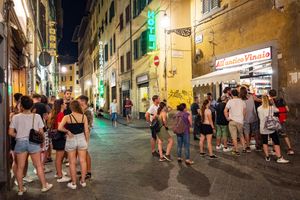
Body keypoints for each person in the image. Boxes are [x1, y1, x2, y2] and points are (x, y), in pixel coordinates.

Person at [9, 96, 53, 195]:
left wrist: (19, 135)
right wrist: (40, 142)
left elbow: (10, 132)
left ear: (21, 106)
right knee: (38, 166)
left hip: (20, 143)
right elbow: (41, 132)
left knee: (20, 167)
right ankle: (44, 186)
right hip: (33, 143)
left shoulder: (15, 117)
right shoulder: (36, 116)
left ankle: (20, 189)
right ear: (31, 106)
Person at [58, 100, 90, 189]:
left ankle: (73, 183)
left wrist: (67, 131)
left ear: (71, 107)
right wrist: (87, 142)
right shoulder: (84, 117)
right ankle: (83, 181)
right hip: (81, 139)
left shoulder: (67, 117)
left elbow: (60, 128)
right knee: (83, 161)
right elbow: (86, 131)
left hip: (71, 138)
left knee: (72, 162)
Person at [257, 95, 289, 163]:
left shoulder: (259, 108)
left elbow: (260, 117)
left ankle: (267, 157)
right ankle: (279, 157)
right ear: (268, 100)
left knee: (265, 142)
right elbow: (277, 110)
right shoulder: (271, 107)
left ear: (262, 100)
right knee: (276, 141)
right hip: (271, 127)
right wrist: (273, 103)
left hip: (263, 127)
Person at [48, 99, 70, 183]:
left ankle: (58, 172)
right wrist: (68, 131)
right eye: (64, 103)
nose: (66, 104)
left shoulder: (55, 114)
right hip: (60, 138)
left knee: (59, 157)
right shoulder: (60, 114)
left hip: (56, 138)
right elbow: (60, 127)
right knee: (59, 157)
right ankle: (60, 176)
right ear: (61, 105)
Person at [269, 89, 294, 155]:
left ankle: (274, 150)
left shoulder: (271, 101)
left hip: (276, 120)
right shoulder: (282, 99)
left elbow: (271, 111)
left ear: (270, 95)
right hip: (283, 119)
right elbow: (287, 109)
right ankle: (290, 149)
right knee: (285, 134)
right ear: (276, 94)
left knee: (274, 135)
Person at [224, 89, 246, 156]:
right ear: (238, 94)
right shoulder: (242, 101)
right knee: (241, 135)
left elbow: (225, 111)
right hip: (240, 121)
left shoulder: (230, 101)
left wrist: (227, 118)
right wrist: (242, 118)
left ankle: (236, 150)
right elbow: (244, 111)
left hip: (232, 121)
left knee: (234, 137)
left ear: (232, 94)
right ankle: (244, 148)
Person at [77, 95, 94, 179]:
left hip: (84, 133)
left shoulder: (87, 112)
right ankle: (84, 169)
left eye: (79, 101)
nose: (78, 103)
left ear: (83, 102)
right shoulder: (84, 110)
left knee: (86, 152)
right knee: (82, 153)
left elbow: (86, 125)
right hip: (82, 133)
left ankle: (88, 171)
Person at [240, 86, 259, 153]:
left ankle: (248, 146)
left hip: (245, 118)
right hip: (253, 117)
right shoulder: (252, 96)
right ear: (246, 91)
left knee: (246, 133)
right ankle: (257, 145)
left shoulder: (240, 99)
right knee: (256, 131)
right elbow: (259, 100)